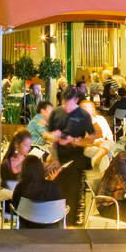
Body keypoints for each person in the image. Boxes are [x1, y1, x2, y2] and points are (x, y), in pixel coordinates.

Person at [48, 87, 93, 224]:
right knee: (57, 197)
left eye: (70, 103)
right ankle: (57, 226)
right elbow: (50, 137)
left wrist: (75, 141)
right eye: (64, 102)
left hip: (76, 162)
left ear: (76, 100)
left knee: (72, 198)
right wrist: (54, 158)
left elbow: (91, 138)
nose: (66, 106)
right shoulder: (56, 113)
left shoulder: (83, 115)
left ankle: (71, 228)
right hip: (59, 162)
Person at [10, 155, 66, 227]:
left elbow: (16, 206)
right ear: (41, 168)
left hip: (27, 227)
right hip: (50, 229)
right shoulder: (53, 186)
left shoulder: (20, 187)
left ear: (24, 170)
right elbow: (60, 207)